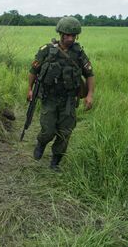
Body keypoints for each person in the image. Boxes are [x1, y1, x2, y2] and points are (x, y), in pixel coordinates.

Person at [27, 16, 95, 170]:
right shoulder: (46, 50)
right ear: (60, 34)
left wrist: (90, 95)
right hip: (49, 98)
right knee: (48, 131)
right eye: (66, 35)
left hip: (69, 99)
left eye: (73, 35)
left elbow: (90, 74)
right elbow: (33, 71)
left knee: (65, 133)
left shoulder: (79, 54)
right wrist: (29, 89)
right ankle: (41, 143)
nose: (70, 38)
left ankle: (55, 162)